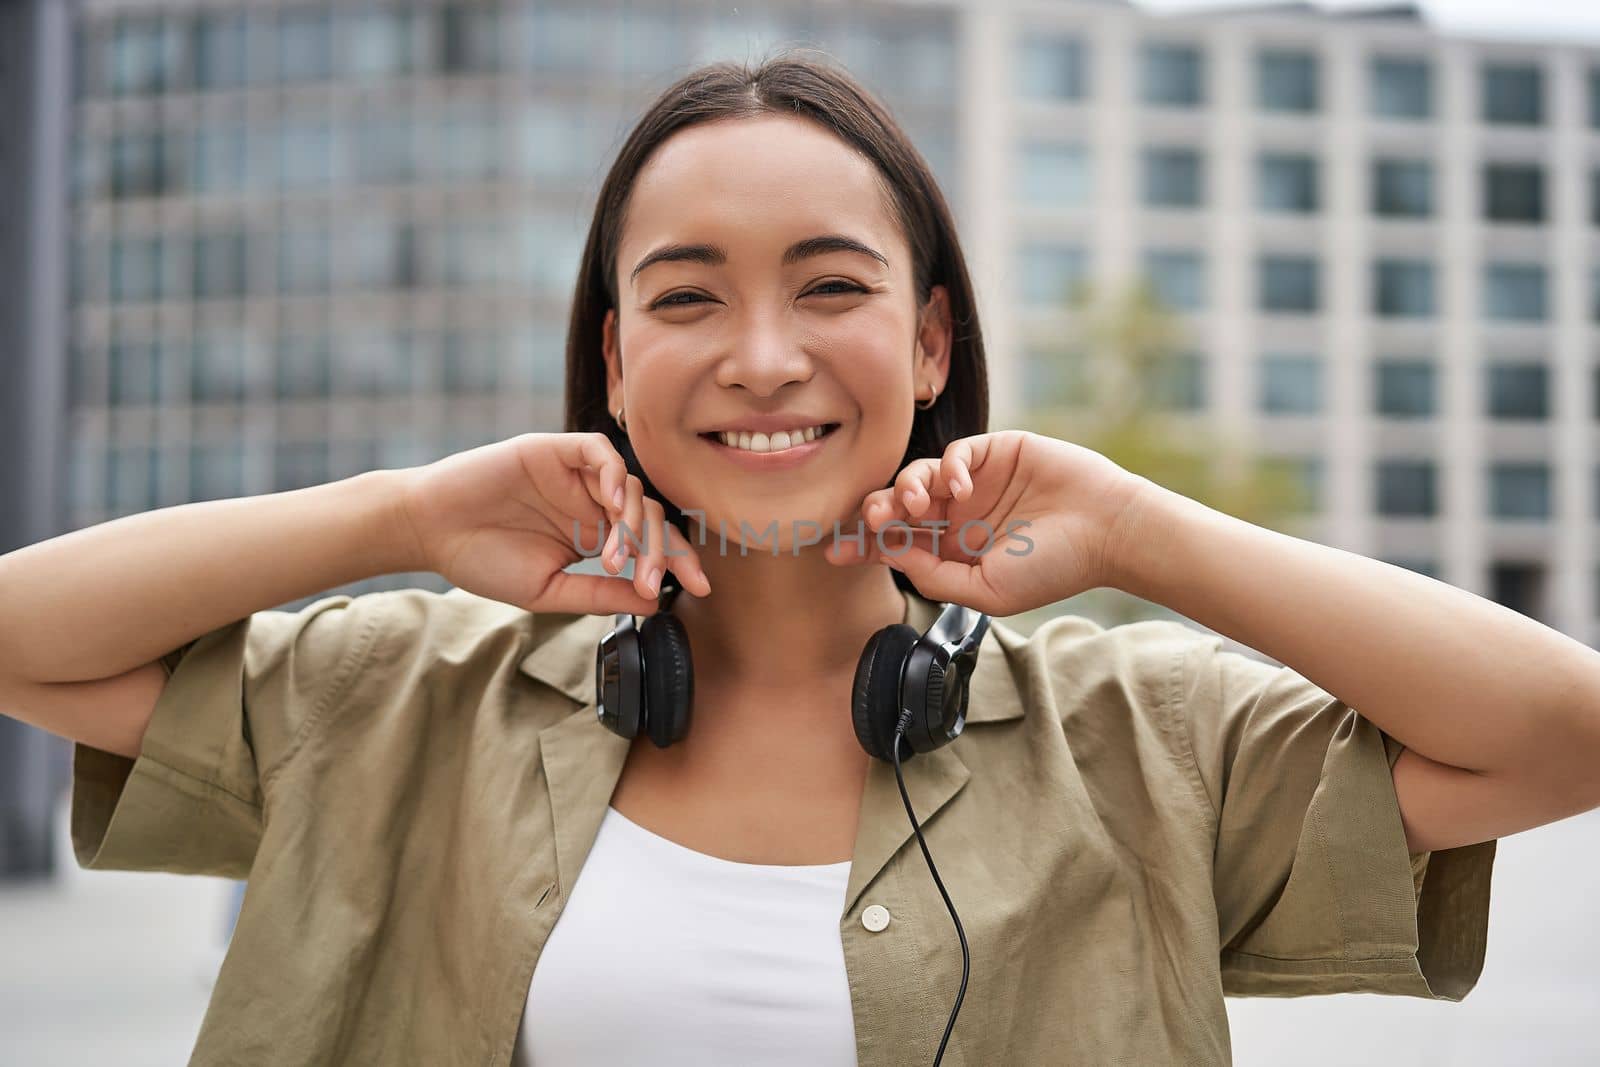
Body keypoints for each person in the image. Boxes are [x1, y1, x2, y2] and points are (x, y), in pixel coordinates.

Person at [1, 50, 1592, 1066]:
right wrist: (399, 519)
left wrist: (1141, 532)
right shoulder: (404, 693)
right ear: (614, 361)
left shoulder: (1144, 740)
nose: (763, 359)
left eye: (830, 289)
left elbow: (1562, 732)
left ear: (929, 338)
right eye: (688, 300)